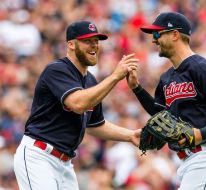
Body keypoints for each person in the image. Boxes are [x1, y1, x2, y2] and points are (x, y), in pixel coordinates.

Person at [13, 20, 141, 190]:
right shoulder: (57, 70)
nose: (94, 45)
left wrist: (129, 135)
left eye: (96, 41)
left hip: (65, 163)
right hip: (39, 156)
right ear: (71, 44)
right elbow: (78, 103)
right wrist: (115, 76)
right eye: (88, 41)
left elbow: (95, 124)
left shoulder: (90, 81)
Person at [126, 12, 206, 190]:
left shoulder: (203, 68)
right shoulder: (167, 77)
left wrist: (201, 133)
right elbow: (160, 114)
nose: (154, 40)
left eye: (157, 34)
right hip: (190, 159)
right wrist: (136, 88)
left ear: (174, 34)